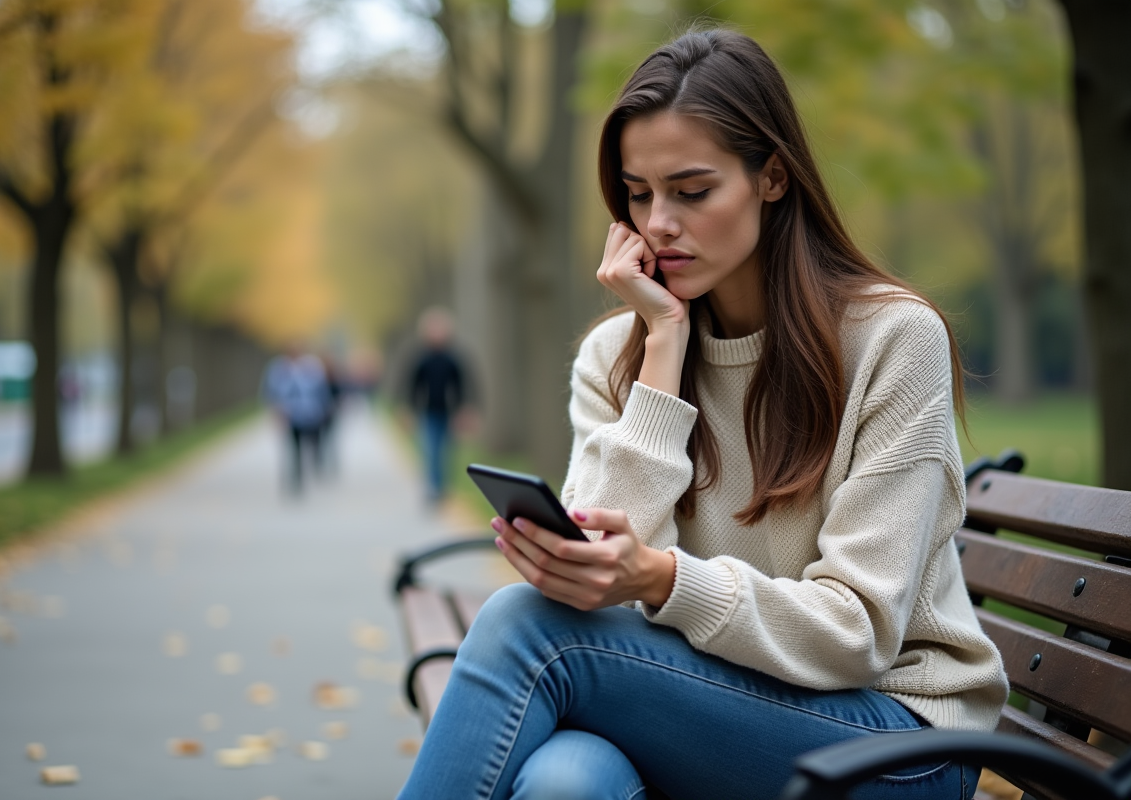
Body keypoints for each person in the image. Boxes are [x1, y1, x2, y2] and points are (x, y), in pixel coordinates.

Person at [398, 28, 1007, 800]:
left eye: (692, 192)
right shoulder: (618, 354)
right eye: (638, 194)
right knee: (566, 783)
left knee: (524, 628)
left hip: (891, 743)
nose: (657, 224)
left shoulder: (891, 339)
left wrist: (659, 580)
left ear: (773, 178)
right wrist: (663, 350)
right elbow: (601, 587)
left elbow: (856, 632)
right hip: (710, 707)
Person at [406, 307, 471, 504]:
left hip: (448, 413)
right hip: (428, 413)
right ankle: (434, 487)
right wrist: (409, 411)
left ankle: (444, 486)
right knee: (431, 450)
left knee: (447, 452)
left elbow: (462, 386)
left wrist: (463, 411)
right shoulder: (422, 359)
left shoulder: (452, 360)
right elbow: (413, 387)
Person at [262, 343, 328, 495]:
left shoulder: (312, 368)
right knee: (293, 447)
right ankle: (294, 478)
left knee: (305, 446)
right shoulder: (278, 369)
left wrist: (322, 408)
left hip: (309, 415)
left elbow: (320, 389)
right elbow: (270, 391)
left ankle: (299, 476)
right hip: (288, 415)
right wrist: (275, 411)